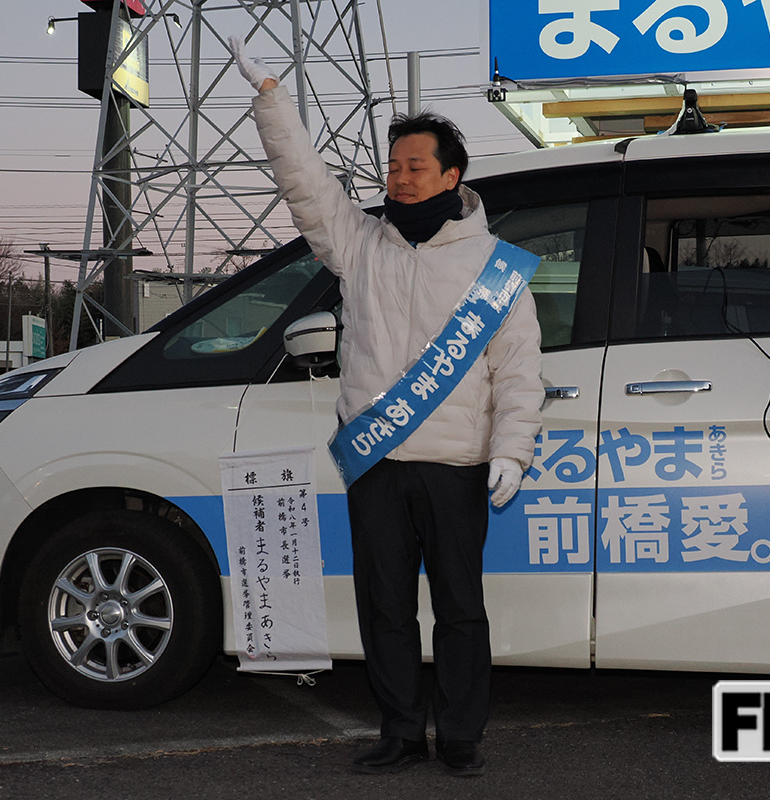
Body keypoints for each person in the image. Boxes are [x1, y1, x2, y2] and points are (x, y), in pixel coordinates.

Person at [229, 39, 544, 777]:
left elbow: (519, 372)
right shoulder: (361, 245)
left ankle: (461, 735)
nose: (399, 179)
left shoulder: (494, 267)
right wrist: (273, 100)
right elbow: (306, 185)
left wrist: (512, 450)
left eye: (416, 167)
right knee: (386, 609)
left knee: (461, 610)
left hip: (456, 466)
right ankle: (401, 730)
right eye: (393, 167)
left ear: (453, 175)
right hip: (375, 463)